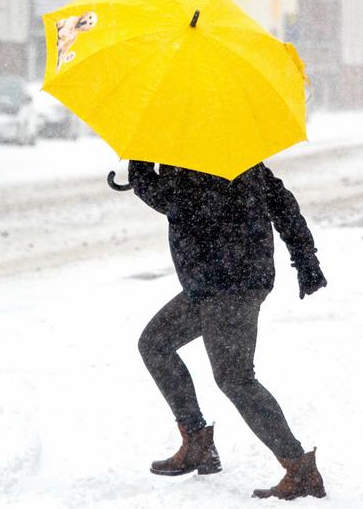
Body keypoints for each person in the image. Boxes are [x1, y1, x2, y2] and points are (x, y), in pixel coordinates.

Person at [129, 160, 328, 501]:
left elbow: (172, 202)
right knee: (155, 343)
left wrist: (140, 171)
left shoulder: (193, 157)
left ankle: (299, 468)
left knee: (235, 378)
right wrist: (305, 256)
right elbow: (281, 200)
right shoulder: (234, 151)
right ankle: (197, 443)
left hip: (230, 283)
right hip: (212, 282)